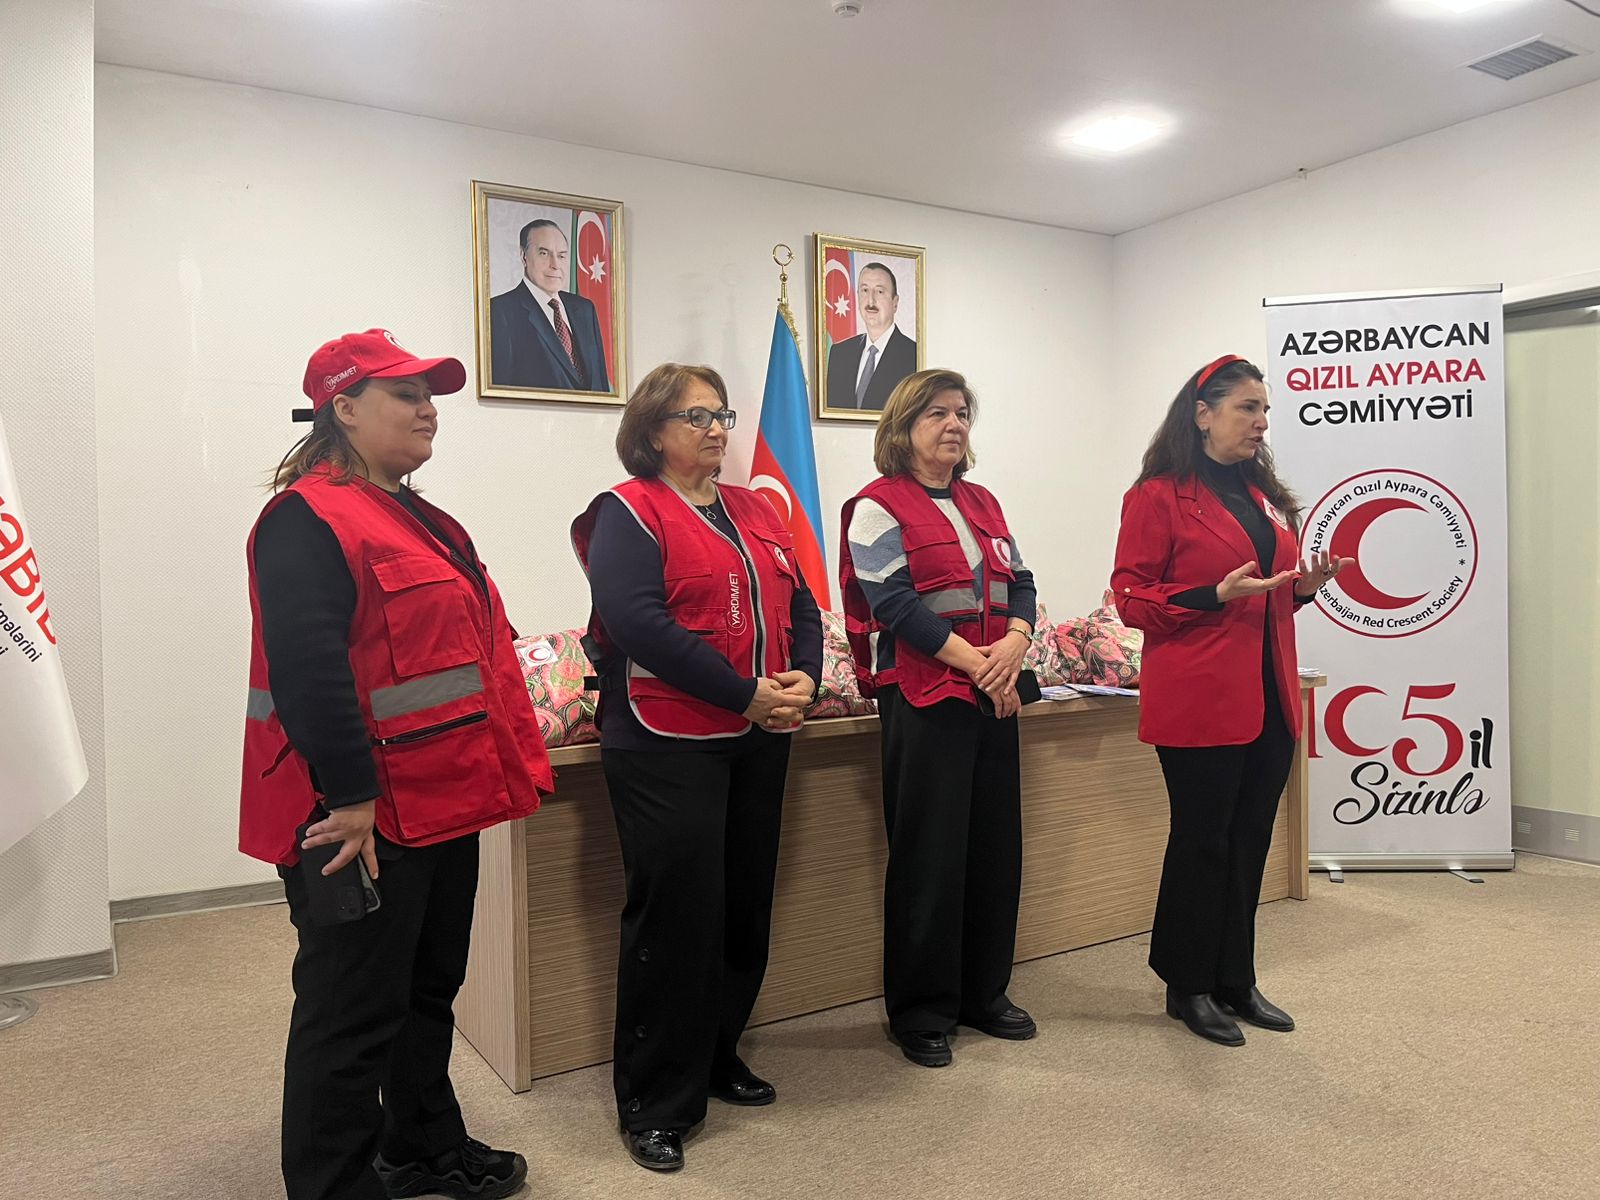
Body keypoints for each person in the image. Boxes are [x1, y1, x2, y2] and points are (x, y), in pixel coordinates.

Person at [241, 328, 554, 1199]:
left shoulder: (422, 517)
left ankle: (422, 1145)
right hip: (357, 815)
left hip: (445, 799)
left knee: (426, 991)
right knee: (350, 1014)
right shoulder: (306, 517)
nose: (429, 411)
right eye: (406, 395)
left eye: (431, 396)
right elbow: (308, 671)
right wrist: (348, 798)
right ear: (342, 408)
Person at [570, 363, 823, 1172]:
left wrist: (806, 677)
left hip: (761, 733)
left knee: (743, 908)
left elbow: (801, 603)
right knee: (675, 921)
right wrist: (745, 693)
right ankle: (655, 1102)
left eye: (722, 415)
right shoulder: (626, 511)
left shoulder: (757, 509)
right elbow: (638, 623)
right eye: (696, 416)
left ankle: (717, 1056)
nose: (717, 429)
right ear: (652, 431)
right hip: (664, 743)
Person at [1111, 354, 1349, 1048]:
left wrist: (1305, 587)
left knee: (1249, 841)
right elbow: (1131, 600)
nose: (1261, 421)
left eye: (1264, 409)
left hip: (1271, 695)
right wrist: (1212, 594)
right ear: (1202, 413)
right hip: (1200, 696)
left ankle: (1236, 978)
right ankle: (1187, 984)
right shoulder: (1157, 496)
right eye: (1248, 407)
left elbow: (1269, 595)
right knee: (1202, 842)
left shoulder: (1262, 494)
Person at [838, 368, 1038, 1069]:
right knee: (929, 857)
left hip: (994, 691)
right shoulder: (875, 506)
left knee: (995, 850)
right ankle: (921, 1011)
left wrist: (1014, 644)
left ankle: (985, 994)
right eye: (937, 413)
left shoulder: (983, 501)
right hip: (924, 696)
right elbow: (894, 605)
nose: (954, 425)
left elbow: (1022, 583)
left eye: (961, 413)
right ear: (903, 425)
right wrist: (980, 663)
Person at [489, 218, 611, 392]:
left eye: (561, 256)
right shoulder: (500, 311)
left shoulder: (585, 309)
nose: (555, 265)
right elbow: (501, 390)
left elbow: (600, 384)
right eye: (544, 253)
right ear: (524, 256)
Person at [825, 261, 918, 411]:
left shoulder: (914, 355)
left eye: (879, 292)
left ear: (895, 302)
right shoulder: (839, 353)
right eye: (865, 290)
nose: (870, 301)